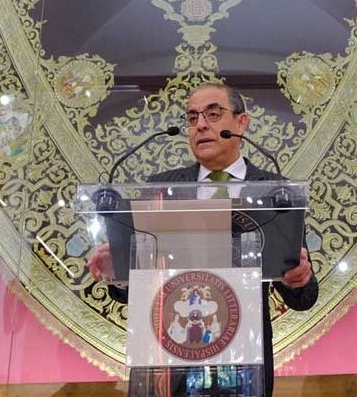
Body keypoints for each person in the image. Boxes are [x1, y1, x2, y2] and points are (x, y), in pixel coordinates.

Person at [89, 82, 317, 396]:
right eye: (193, 117)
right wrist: (122, 271)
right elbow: (133, 290)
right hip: (167, 362)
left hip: (244, 361)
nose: (201, 125)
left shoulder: (274, 191)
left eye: (213, 114)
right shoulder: (161, 189)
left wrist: (298, 278)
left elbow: (304, 298)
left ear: (240, 123)